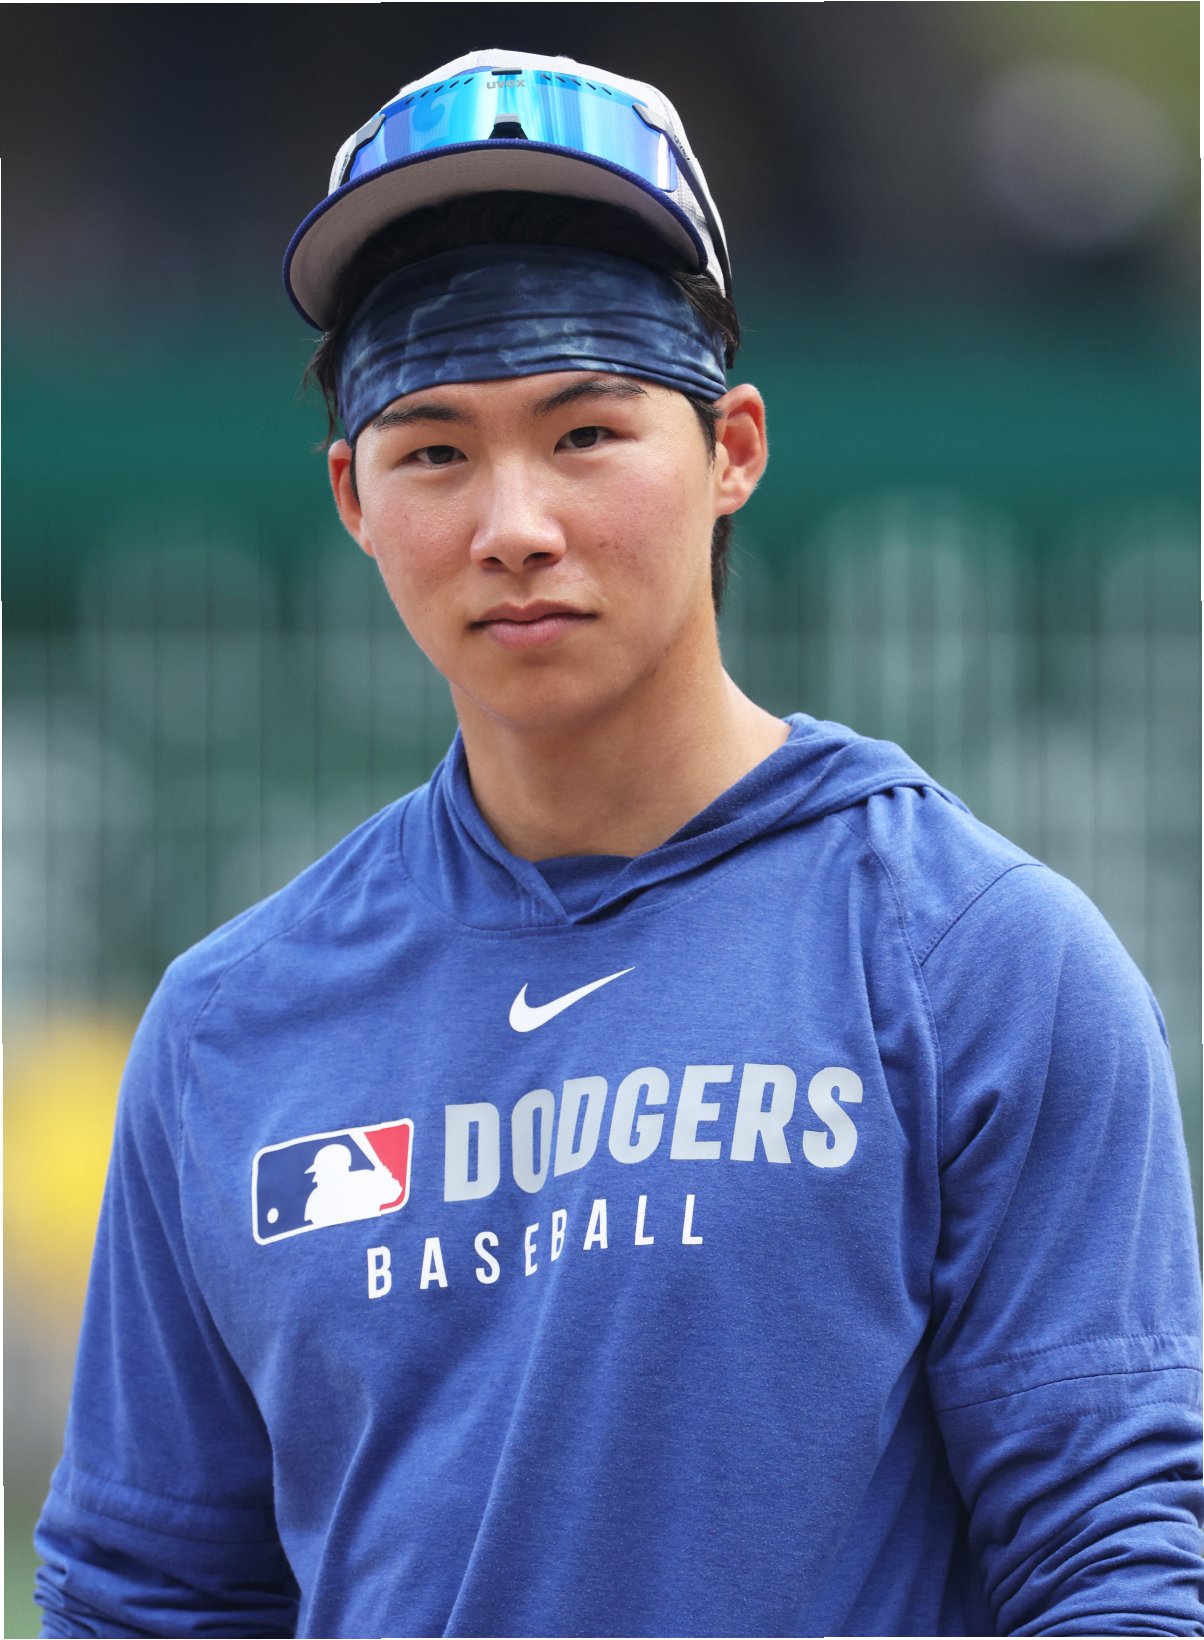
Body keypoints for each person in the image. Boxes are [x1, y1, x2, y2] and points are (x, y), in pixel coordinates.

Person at [34, 47, 1203, 1640]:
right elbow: (147, 1593)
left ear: (733, 451)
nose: (515, 525)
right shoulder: (230, 1026)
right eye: (435, 450)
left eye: (585, 433)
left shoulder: (972, 960)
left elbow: (1116, 1558)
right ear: (353, 498)